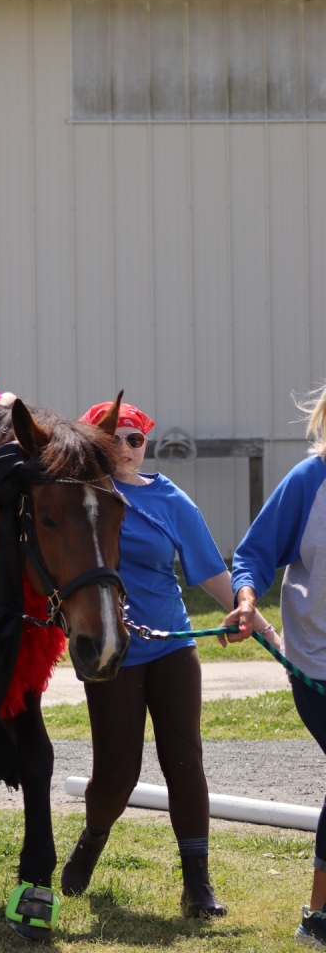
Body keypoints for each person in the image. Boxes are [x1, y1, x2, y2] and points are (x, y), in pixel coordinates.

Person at [62, 400, 277, 918]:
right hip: (114, 651)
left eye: (136, 439)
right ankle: (93, 838)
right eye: (114, 438)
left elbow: (211, 571)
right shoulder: (82, 498)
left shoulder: (170, 499)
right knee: (117, 774)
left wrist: (261, 626)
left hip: (173, 645)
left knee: (185, 760)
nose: (126, 448)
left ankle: (197, 884)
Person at [228, 383, 326, 949]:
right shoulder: (310, 480)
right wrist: (246, 600)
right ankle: (320, 916)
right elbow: (254, 553)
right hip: (319, 664)